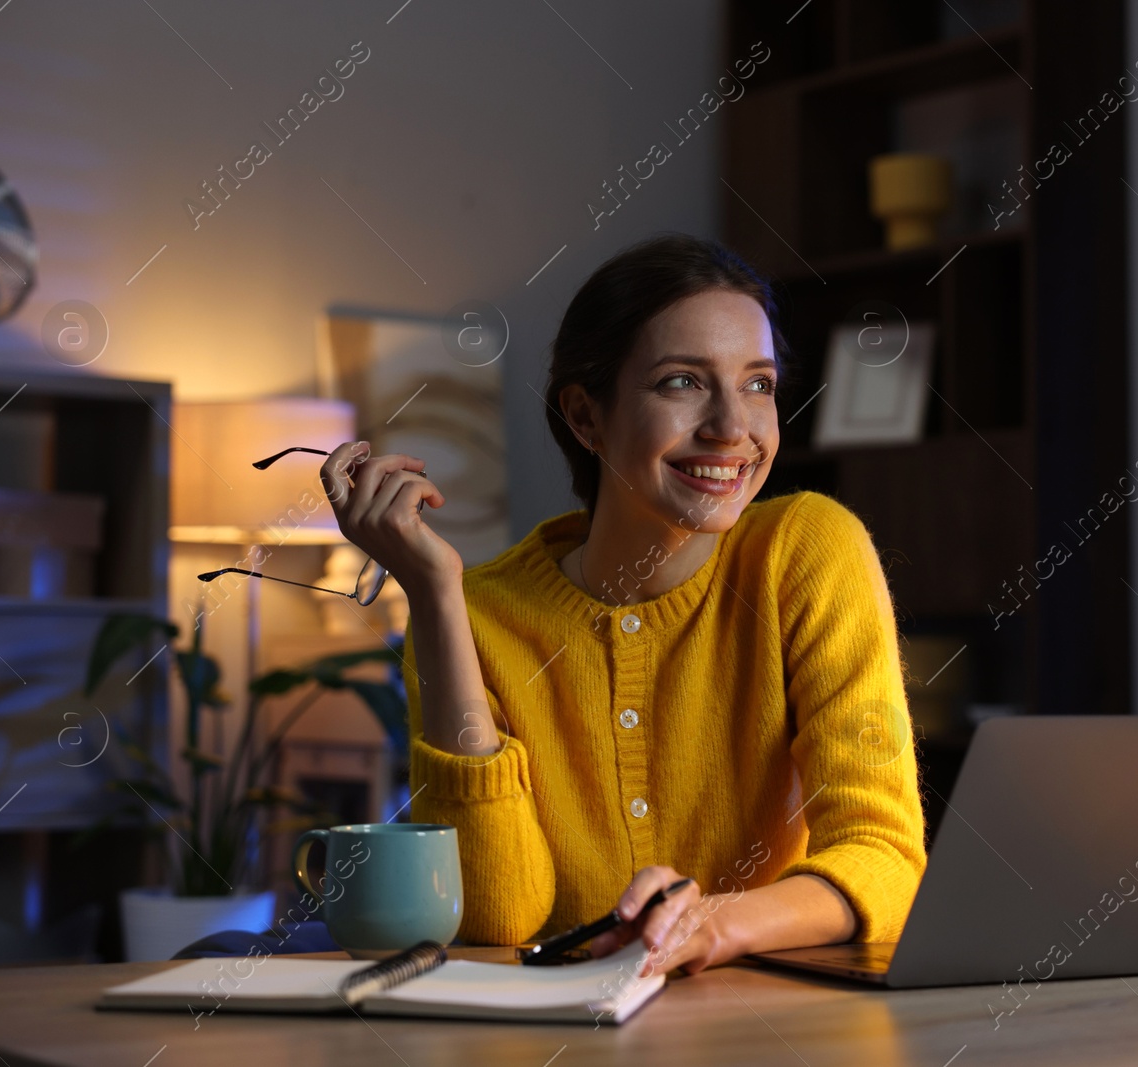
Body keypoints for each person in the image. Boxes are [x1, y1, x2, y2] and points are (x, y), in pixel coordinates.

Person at [320, 233, 926, 979]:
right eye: (682, 383)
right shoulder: (478, 614)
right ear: (585, 417)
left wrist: (713, 925)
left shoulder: (808, 551)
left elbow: (884, 856)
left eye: (759, 384)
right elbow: (496, 913)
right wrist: (439, 597)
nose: (733, 428)